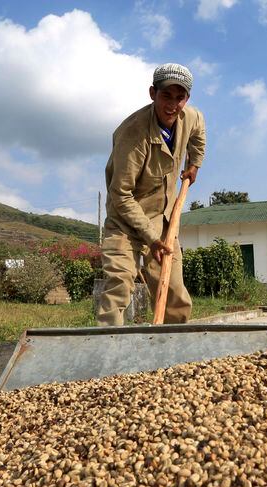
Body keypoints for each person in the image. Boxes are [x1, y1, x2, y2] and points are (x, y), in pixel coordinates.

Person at [97, 63, 206, 326]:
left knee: (174, 292)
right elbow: (121, 194)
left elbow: (198, 136)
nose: (172, 105)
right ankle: (106, 354)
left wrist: (194, 164)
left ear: (187, 99)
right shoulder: (132, 135)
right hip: (125, 220)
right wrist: (151, 238)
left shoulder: (191, 117)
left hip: (163, 218)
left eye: (179, 98)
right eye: (166, 96)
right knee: (119, 286)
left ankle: (172, 354)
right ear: (152, 93)